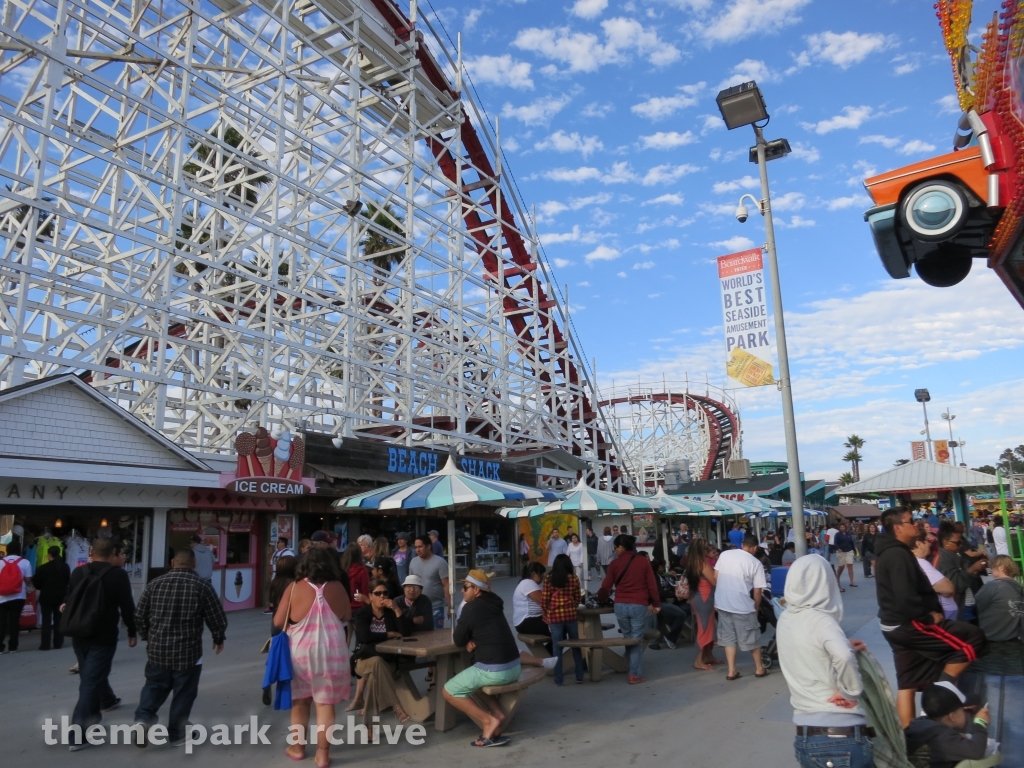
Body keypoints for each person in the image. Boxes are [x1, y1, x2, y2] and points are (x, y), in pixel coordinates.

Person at [874, 507, 987, 728]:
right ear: (897, 528)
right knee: (973, 638)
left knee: (907, 682)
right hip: (910, 623)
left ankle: (910, 738)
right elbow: (904, 595)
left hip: (892, 625)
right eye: (910, 521)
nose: (915, 524)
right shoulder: (897, 554)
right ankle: (942, 697)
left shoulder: (892, 551)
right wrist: (927, 618)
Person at [777, 555, 874, 768]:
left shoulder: (785, 619)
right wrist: (850, 692)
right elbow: (843, 656)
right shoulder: (822, 621)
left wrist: (843, 643)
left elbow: (807, 648)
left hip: (805, 735)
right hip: (842, 736)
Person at [133, 548, 228, 748]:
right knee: (184, 692)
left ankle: (143, 719)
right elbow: (217, 617)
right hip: (188, 651)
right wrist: (218, 638)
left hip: (158, 649)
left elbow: (139, 615)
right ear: (194, 564)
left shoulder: (154, 584)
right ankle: (177, 733)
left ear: (172, 562)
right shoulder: (202, 586)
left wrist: (147, 636)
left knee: (154, 685)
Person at [275, 547, 352, 767]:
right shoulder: (337, 587)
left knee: (300, 702)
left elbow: (278, 622)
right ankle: (323, 754)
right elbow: (347, 615)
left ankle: (298, 748)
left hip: (301, 652)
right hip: (332, 651)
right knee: (325, 704)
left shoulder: (294, 588)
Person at [66, 538, 138, 751]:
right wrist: (133, 631)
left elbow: (69, 599)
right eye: (122, 554)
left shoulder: (78, 572)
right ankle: (78, 734)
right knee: (90, 679)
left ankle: (106, 701)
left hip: (79, 633)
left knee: (91, 673)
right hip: (104, 635)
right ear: (113, 553)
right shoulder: (118, 575)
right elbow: (127, 605)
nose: (124, 558)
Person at [442, 570, 522, 747]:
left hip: (495, 670)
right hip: (514, 667)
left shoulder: (471, 608)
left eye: (465, 587)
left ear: (476, 590)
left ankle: (488, 721)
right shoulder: (494, 604)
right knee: (472, 681)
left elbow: (457, 639)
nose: (462, 591)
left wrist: (467, 641)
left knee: (449, 691)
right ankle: (497, 714)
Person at [597, 534, 660, 684]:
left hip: (620, 605)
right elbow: (651, 585)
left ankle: (631, 668)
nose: (615, 550)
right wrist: (656, 603)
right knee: (636, 640)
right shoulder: (643, 562)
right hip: (638, 604)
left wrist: (600, 598)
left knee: (628, 638)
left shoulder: (614, 564)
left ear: (622, 547)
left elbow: (606, 586)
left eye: (616, 547)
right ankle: (634, 673)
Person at [347, 578, 412, 722]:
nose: (382, 596)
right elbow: (364, 637)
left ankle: (369, 726)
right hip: (363, 660)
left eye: (385, 593)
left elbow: (405, 633)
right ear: (370, 596)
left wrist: (396, 609)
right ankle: (396, 706)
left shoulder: (390, 613)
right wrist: (388, 634)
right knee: (376, 662)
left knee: (375, 674)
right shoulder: (362, 613)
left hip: (388, 660)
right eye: (377, 593)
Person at [714, 534, 769, 680]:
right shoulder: (756, 563)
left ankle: (731, 671)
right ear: (755, 547)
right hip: (743, 606)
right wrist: (756, 609)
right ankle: (759, 669)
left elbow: (715, 576)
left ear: (742, 544)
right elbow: (758, 591)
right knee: (752, 638)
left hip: (723, 603)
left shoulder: (725, 555)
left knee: (728, 639)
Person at [905, 682, 990, 767]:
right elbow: (976, 751)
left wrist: (956, 736)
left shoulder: (916, 725)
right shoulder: (942, 737)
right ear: (952, 716)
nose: (966, 712)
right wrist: (980, 722)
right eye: (963, 709)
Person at [541, 554, 584, 685]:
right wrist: (572, 606)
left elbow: (544, 600)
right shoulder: (574, 578)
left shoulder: (549, 578)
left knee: (557, 648)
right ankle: (579, 676)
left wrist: (546, 613)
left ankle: (559, 679)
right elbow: (578, 597)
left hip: (555, 617)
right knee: (575, 645)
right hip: (571, 615)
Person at [263, 554, 297, 705]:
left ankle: (268, 680)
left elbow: (270, 603)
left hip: (275, 621)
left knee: (275, 652)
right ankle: (288, 684)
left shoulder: (274, 583)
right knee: (291, 656)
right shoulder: (295, 584)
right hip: (290, 622)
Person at [935, 523, 987, 619]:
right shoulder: (944, 559)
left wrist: (976, 569)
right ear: (946, 542)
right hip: (960, 606)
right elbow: (957, 584)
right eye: (957, 543)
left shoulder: (955, 555)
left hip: (968, 603)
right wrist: (973, 569)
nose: (960, 546)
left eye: (961, 542)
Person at [685, 538, 721, 670]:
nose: (708, 549)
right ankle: (699, 661)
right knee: (704, 629)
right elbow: (714, 581)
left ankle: (708, 656)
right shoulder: (703, 563)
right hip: (705, 598)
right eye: (706, 548)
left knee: (708, 627)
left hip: (699, 597)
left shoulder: (693, 562)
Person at [974, 555, 1024, 643]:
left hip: (994, 640)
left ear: (1001, 568)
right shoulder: (1019, 587)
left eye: (992, 567)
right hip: (1017, 640)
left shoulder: (992, 587)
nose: (991, 570)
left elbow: (977, 608)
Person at [912, 531, 958, 621]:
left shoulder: (916, 562)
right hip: (942, 614)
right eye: (927, 540)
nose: (930, 544)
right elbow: (948, 589)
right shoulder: (921, 563)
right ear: (919, 544)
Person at [33, 544, 70, 651]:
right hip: (60, 597)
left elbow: (37, 584)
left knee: (46, 621)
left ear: (49, 555)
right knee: (59, 620)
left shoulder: (43, 568)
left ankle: (45, 644)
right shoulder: (65, 567)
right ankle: (58, 643)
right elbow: (68, 581)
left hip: (46, 597)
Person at [409, 535, 450, 629]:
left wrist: (450, 606)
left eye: (420, 546)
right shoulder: (413, 562)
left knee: (436, 635)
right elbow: (410, 584)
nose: (417, 550)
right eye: (416, 547)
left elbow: (446, 584)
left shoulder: (440, 562)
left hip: (436, 606)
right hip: (418, 606)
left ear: (428, 546)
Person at [0, 540, 33, 653]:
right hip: (19, 595)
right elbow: (28, 579)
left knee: (2, 622)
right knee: (15, 621)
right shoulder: (25, 562)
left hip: (2, 596)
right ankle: (13, 646)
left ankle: (0, 647)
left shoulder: (0, 562)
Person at [650, 558, 690, 650]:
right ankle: (671, 637)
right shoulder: (654, 578)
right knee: (681, 614)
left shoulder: (661, 575)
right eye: (664, 566)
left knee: (687, 608)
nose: (665, 568)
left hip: (669, 600)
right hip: (660, 602)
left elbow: (666, 583)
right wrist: (675, 594)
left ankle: (672, 624)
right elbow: (660, 593)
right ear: (660, 567)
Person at [512, 562, 548, 645]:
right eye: (541, 573)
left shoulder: (526, 583)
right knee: (559, 628)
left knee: (560, 629)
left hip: (527, 621)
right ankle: (550, 656)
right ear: (534, 574)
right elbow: (544, 602)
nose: (543, 576)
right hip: (527, 621)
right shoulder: (528, 583)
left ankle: (549, 655)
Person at [833, 524, 857, 591]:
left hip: (849, 550)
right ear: (839, 528)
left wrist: (854, 550)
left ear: (845, 528)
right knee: (841, 566)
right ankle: (837, 579)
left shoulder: (848, 534)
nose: (842, 528)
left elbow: (851, 542)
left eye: (843, 527)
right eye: (841, 527)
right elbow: (835, 543)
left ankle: (852, 582)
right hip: (841, 551)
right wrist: (838, 548)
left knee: (850, 565)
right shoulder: (837, 534)